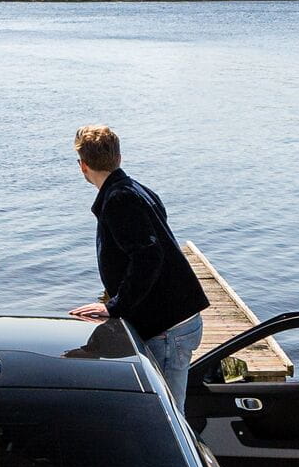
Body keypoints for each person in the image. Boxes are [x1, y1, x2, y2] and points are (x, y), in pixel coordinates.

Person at [68, 126, 209, 401]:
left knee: (166, 414)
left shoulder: (119, 199)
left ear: (82, 166)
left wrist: (114, 306)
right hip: (175, 321)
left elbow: (148, 256)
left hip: (168, 328)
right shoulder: (136, 190)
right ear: (118, 158)